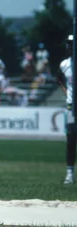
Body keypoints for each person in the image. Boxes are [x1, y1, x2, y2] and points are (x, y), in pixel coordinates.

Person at [57, 34, 74, 184]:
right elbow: (59, 78)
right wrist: (66, 92)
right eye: (69, 44)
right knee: (71, 139)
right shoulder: (65, 64)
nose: (70, 46)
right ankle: (70, 173)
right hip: (71, 106)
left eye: (72, 44)